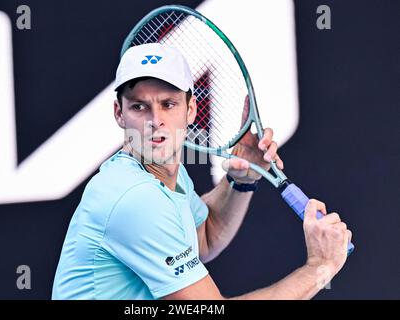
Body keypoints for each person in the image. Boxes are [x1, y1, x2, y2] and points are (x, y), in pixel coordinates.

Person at [52, 43, 352, 300]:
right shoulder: (135, 197)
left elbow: (205, 237)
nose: (155, 120)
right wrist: (320, 267)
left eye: (168, 104)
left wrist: (241, 179)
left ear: (191, 109)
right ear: (120, 113)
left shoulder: (164, 175)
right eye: (140, 107)